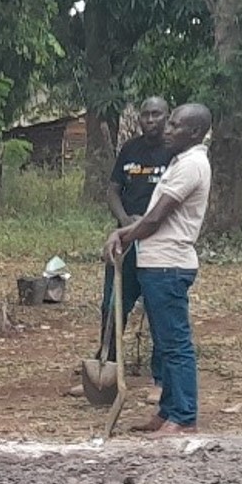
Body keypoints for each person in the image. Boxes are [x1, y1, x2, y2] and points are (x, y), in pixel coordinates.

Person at [106, 102, 213, 437]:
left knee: (176, 345)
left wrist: (122, 236)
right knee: (166, 344)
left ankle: (183, 417)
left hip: (168, 265)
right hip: (159, 263)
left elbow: (153, 220)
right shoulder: (182, 161)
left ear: (194, 132)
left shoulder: (191, 165)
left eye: (175, 125)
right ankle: (167, 412)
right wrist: (124, 233)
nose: (167, 129)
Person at [101, 97, 170, 384]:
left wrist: (144, 223)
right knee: (112, 305)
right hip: (125, 240)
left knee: (158, 311)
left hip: (159, 243)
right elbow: (113, 190)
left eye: (157, 114)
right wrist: (125, 219)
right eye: (145, 115)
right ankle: (107, 371)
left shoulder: (175, 154)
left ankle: (160, 379)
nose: (150, 120)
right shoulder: (129, 150)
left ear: (168, 117)